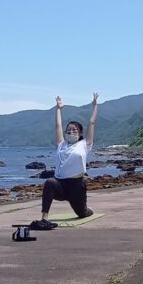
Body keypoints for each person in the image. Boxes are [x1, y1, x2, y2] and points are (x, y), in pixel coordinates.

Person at [32, 93, 98, 229]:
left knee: (82, 213)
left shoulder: (85, 144)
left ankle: (87, 209)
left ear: (80, 133)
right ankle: (44, 218)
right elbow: (57, 126)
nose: (71, 131)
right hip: (60, 185)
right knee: (49, 182)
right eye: (69, 130)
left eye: (75, 130)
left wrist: (95, 106)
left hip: (76, 186)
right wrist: (58, 109)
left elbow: (91, 122)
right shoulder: (61, 144)